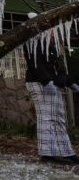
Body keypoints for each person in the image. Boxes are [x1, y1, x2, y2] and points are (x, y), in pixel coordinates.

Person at [24, 13, 79, 165]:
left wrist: (69, 82)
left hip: (51, 84)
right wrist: (46, 81)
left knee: (58, 117)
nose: (54, 30)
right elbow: (36, 65)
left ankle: (65, 151)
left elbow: (58, 69)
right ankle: (48, 153)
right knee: (47, 118)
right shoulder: (33, 41)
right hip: (40, 83)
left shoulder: (50, 45)